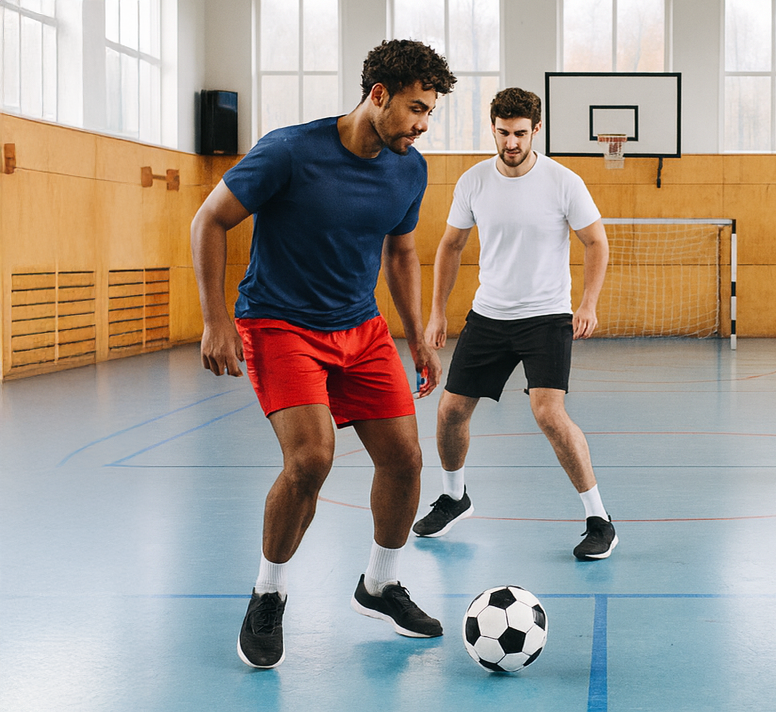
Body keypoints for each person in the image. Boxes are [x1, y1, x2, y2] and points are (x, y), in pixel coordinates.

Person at [191, 40, 456, 669]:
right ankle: (267, 595)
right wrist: (214, 319)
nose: (422, 125)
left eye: (431, 114)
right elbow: (209, 220)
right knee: (311, 458)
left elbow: (398, 253)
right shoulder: (290, 150)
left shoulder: (409, 168)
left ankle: (380, 584)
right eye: (416, 109)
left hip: (360, 329)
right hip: (280, 325)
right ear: (378, 95)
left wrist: (415, 334)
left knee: (405, 459)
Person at [411, 87, 618, 560]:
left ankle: (599, 519)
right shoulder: (474, 181)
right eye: (503, 133)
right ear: (494, 129)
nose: (510, 143)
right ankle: (454, 496)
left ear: (536, 131)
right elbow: (449, 246)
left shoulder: (563, 182)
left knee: (548, 413)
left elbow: (596, 243)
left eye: (520, 133)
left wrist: (587, 304)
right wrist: (437, 312)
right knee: (449, 412)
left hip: (546, 317)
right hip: (489, 315)